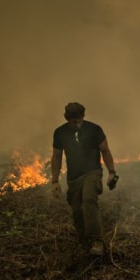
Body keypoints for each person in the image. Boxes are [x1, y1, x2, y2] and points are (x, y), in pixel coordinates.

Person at [51, 102, 118, 256]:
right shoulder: (60, 133)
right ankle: (83, 238)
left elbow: (105, 150)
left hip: (92, 172)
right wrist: (54, 181)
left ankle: (97, 241)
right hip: (73, 177)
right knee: (76, 209)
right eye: (74, 121)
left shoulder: (94, 129)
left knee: (88, 199)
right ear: (67, 119)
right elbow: (56, 156)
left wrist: (112, 172)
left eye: (80, 120)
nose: (78, 124)